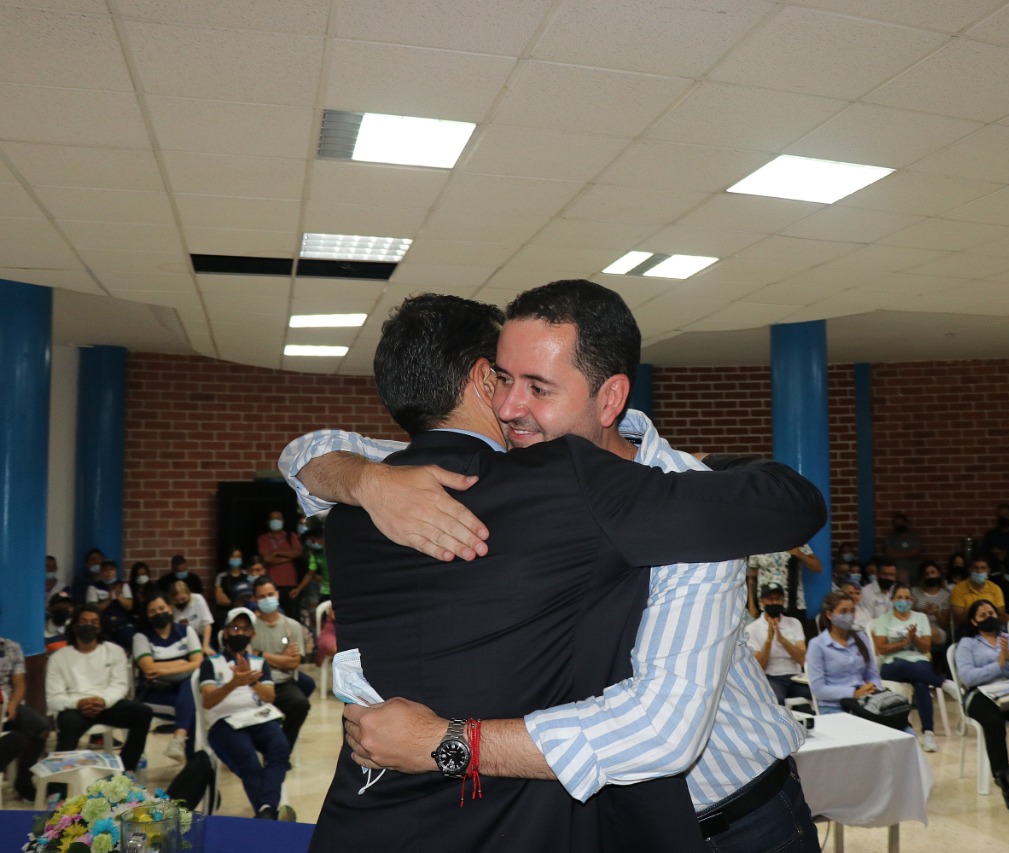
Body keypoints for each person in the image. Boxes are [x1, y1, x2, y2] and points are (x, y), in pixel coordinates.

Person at [279, 286, 826, 852]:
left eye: (538, 388)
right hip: (597, 821)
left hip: (730, 818)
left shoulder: (693, 505)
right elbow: (311, 451)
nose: (508, 408)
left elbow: (661, 732)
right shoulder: (488, 472)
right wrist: (365, 480)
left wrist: (445, 742)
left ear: (609, 400)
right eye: (503, 379)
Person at [200, 608, 292, 820]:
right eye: (235, 628)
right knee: (248, 760)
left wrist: (251, 681)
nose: (240, 633)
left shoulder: (259, 663)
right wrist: (233, 683)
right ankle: (269, 811)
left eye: (245, 629)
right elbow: (207, 701)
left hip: (258, 716)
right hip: (224, 722)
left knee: (280, 748)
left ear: (252, 634)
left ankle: (266, 809)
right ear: (225, 632)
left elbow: (269, 697)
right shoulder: (211, 663)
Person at [46, 606, 153, 773]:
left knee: (143, 712)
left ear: (100, 627)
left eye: (94, 622)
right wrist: (79, 703)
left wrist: (103, 701)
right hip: (75, 707)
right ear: (74, 626)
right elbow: (53, 698)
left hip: (107, 703)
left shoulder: (115, 651)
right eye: (83, 622)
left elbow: (119, 686)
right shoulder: (58, 658)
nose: (88, 626)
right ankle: (59, 783)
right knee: (68, 725)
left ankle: (126, 769)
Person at [955, 600, 1009, 810]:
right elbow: (967, 677)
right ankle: (1002, 776)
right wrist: (998, 665)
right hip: (979, 693)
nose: (989, 617)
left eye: (991, 612)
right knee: (993, 720)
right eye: (982, 615)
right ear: (974, 621)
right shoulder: (967, 644)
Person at [871, 584, 948, 752]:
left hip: (918, 662)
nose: (903, 601)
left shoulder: (920, 618)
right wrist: (904, 643)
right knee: (902, 664)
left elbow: (926, 648)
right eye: (899, 597)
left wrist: (915, 639)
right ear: (892, 600)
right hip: (892, 665)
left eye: (907, 598)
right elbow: (881, 648)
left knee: (921, 684)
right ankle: (941, 682)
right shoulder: (884, 619)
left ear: (912, 601)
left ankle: (928, 733)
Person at [133, 594, 202, 762]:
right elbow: (149, 669)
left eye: (161, 608)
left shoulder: (186, 631)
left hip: (183, 690)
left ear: (170, 609)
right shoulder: (141, 637)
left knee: (188, 687)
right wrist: (182, 663)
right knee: (191, 706)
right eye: (152, 611)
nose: (158, 613)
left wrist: (163, 669)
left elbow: (199, 662)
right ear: (147, 615)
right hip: (155, 693)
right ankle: (189, 760)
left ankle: (179, 742)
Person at [249, 578, 313, 751]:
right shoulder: (250, 626)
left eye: (270, 594)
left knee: (300, 704)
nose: (267, 599)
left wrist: (261, 654)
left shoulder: (292, 626)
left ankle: (281, 751)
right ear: (255, 599)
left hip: (282, 682)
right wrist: (280, 659)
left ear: (277, 594)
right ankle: (274, 749)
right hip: (256, 683)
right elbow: (248, 659)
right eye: (262, 596)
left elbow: (293, 663)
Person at [806, 591, 881, 716]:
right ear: (829, 614)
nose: (849, 615)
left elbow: (873, 674)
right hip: (835, 707)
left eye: (852, 611)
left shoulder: (861, 638)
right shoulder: (817, 645)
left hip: (865, 702)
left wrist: (874, 687)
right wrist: (853, 693)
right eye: (843, 611)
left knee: (900, 725)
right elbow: (818, 689)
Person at [0, 634, 52, 802]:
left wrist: (12, 705)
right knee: (16, 739)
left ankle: (23, 782)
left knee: (40, 727)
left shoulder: (11, 647)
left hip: (7, 703)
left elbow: (19, 684)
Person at [744, 584, 809, 704]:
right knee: (776, 700)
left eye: (778, 598)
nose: (774, 602)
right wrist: (769, 640)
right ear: (762, 601)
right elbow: (759, 666)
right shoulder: (752, 628)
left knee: (817, 695)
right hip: (771, 677)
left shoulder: (794, 623)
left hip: (796, 677)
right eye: (770, 599)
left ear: (783, 601)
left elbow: (802, 659)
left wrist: (782, 640)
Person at [748, 545, 821, 619]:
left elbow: (817, 568)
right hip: (767, 605)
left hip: (794, 604)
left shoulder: (796, 542)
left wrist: (800, 554)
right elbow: (752, 578)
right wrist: (751, 605)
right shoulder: (758, 543)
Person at [257, 513, 303, 619]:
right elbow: (267, 559)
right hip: (271, 584)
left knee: (290, 615)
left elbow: (298, 552)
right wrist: (289, 557)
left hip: (290, 584)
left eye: (278, 518)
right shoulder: (263, 538)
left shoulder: (291, 536)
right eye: (273, 519)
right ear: (268, 522)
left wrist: (277, 553)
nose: (275, 521)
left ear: (283, 521)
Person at [912, 561, 951, 674]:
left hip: (937, 631)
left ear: (939, 574)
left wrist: (936, 613)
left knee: (928, 632)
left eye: (933, 572)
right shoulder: (915, 592)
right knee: (919, 633)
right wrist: (922, 611)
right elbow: (908, 614)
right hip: (917, 628)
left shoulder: (945, 595)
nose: (930, 576)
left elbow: (945, 625)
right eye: (926, 574)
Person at [949, 555, 1006, 628]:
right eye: (975, 568)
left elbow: (1000, 614)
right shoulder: (958, 589)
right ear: (970, 569)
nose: (979, 571)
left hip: (991, 628)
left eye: (983, 568)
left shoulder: (995, 589)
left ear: (988, 570)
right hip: (968, 628)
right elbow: (959, 618)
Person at [170, 581, 216, 656]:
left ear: (188, 594)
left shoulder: (198, 599)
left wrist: (205, 646)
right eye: (176, 601)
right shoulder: (170, 606)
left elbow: (207, 625)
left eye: (183, 599)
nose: (180, 602)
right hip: (181, 640)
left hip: (200, 637)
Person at [980, 503, 1009, 575]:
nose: (1003, 518)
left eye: (1006, 515)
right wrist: (995, 555)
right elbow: (982, 552)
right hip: (994, 571)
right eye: (1000, 515)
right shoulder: (990, 535)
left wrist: (1007, 555)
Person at [883, 513, 924, 583]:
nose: (899, 525)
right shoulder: (890, 538)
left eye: (901, 522)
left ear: (906, 522)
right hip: (895, 575)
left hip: (913, 573)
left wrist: (896, 554)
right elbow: (889, 554)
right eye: (896, 523)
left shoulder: (914, 537)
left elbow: (916, 553)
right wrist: (909, 553)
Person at [857, 557, 897, 624]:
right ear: (877, 574)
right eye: (884, 574)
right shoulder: (866, 591)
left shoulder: (896, 590)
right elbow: (867, 620)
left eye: (891, 575)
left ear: (895, 576)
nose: (888, 577)